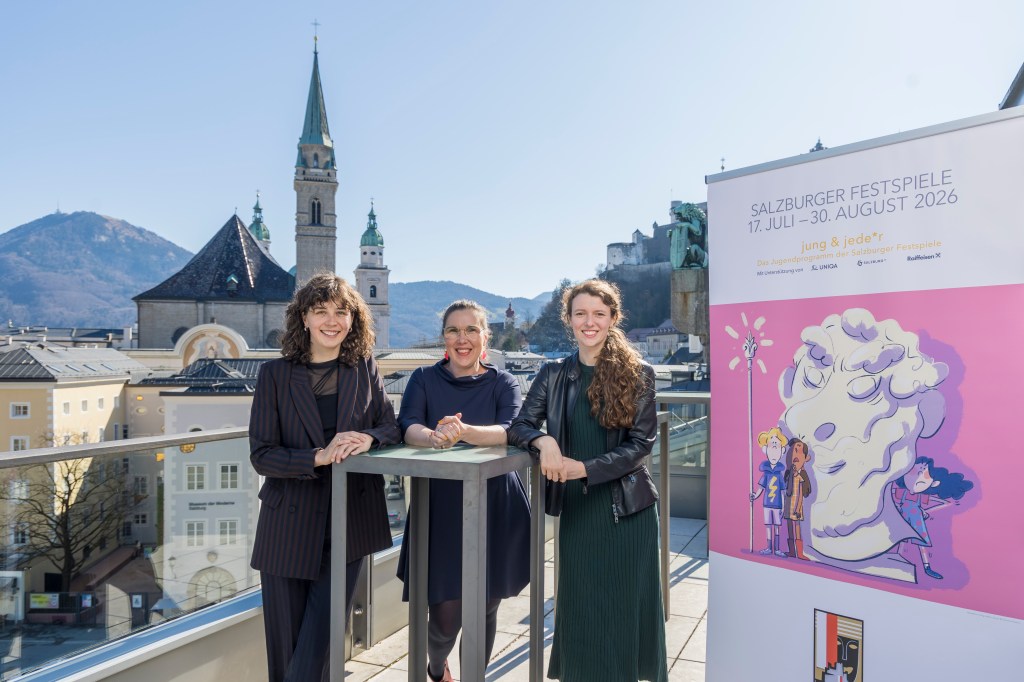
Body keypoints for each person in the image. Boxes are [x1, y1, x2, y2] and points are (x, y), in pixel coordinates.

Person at [508, 279, 668, 682]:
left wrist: (583, 468)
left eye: (599, 314)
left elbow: (640, 445)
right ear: (569, 320)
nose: (589, 322)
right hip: (579, 512)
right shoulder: (553, 374)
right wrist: (544, 441)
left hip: (627, 511)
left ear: (613, 318)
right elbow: (520, 425)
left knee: (623, 612)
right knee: (581, 611)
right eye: (580, 314)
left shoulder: (640, 374)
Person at [249, 273, 400, 682]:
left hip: (350, 522)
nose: (332, 320)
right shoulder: (274, 376)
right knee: (286, 650)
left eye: (341, 311)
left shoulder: (364, 368)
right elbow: (262, 455)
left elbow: (392, 427)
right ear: (304, 319)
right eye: (321, 311)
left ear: (354, 320)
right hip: (287, 526)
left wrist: (368, 437)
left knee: (320, 645)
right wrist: (318, 456)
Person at [395, 299, 530, 682]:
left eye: (471, 329)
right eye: (454, 330)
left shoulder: (504, 382)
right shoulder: (423, 378)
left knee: (486, 606)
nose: (463, 338)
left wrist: (464, 431)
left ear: (485, 337)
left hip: (495, 505)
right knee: (445, 612)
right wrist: (435, 437)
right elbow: (408, 425)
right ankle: (437, 669)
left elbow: (511, 430)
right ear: (445, 339)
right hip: (440, 506)